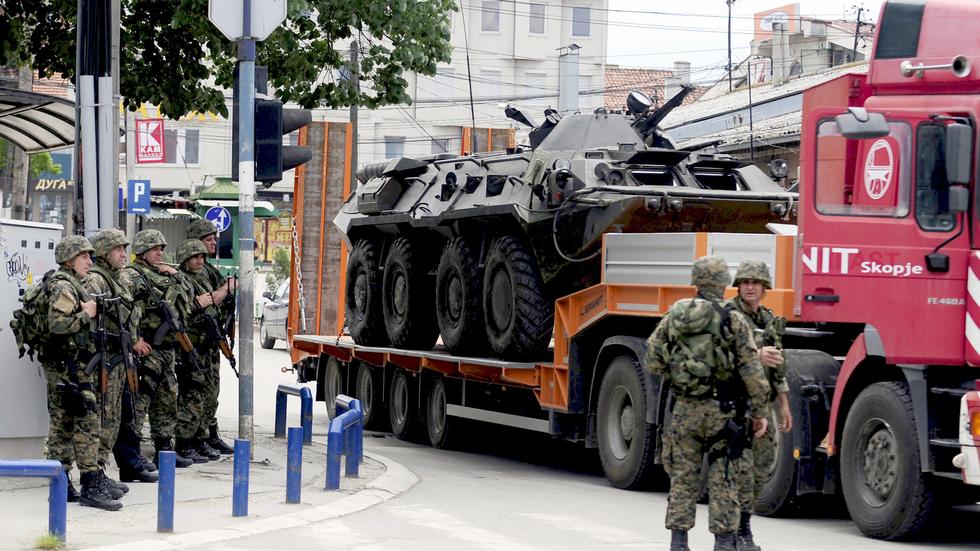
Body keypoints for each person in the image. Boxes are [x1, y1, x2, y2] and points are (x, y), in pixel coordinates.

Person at [644, 256, 771, 551]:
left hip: (684, 409)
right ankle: (724, 543)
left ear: (696, 282)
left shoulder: (675, 315)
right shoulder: (733, 320)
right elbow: (751, 370)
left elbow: (652, 358)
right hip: (723, 412)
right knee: (724, 477)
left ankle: (679, 541)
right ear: (725, 284)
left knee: (683, 477)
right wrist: (759, 412)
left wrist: (678, 376)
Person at [44, 235, 121, 510]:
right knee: (87, 422)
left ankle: (61, 484)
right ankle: (89, 483)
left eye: (90, 256)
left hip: (70, 367)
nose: (90, 261)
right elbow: (57, 325)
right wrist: (86, 314)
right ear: (69, 260)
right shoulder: (64, 286)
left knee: (63, 426)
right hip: (69, 369)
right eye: (84, 256)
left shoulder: (73, 283)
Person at [725, 260, 793, 551]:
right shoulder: (727, 315)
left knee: (760, 470)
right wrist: (755, 354)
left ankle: (745, 526)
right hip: (733, 407)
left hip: (761, 409)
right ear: (738, 286)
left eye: (756, 282)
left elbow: (778, 367)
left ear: (765, 288)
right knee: (734, 472)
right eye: (745, 282)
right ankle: (730, 533)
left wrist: (784, 404)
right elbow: (720, 354)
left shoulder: (768, 319)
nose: (750, 287)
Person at [86, 228, 158, 484]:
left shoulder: (117, 278)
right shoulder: (96, 280)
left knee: (119, 416)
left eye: (124, 249)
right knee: (104, 419)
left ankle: (105, 470)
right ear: (104, 252)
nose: (123, 254)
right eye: (118, 249)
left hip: (121, 359)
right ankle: (93, 475)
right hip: (105, 359)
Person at [120, 230, 197, 468]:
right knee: (141, 401)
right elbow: (126, 311)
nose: (160, 253)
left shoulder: (165, 273)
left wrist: (177, 276)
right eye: (155, 249)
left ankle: (164, 448)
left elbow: (189, 299)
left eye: (162, 249)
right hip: (147, 348)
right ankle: (133, 452)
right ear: (142, 251)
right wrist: (135, 340)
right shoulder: (133, 276)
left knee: (167, 398)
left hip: (167, 348)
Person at [186, 218, 236, 454]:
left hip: (211, 338)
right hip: (198, 341)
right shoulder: (191, 271)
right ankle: (198, 437)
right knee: (199, 393)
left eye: (213, 238)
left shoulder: (207, 268)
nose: (214, 242)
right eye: (208, 239)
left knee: (211, 391)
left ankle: (209, 433)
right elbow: (209, 298)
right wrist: (226, 289)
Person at [174, 239, 221, 461]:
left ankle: (198, 439)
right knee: (191, 396)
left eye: (202, 256)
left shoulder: (200, 279)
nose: (200, 260)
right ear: (185, 260)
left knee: (203, 395)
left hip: (203, 345)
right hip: (189, 346)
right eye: (195, 257)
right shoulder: (181, 281)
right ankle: (184, 442)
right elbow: (178, 312)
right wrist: (196, 304)